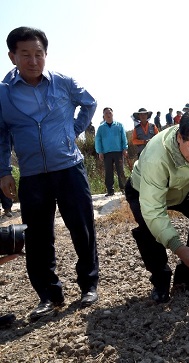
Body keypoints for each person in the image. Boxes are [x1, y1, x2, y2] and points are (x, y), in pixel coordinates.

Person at [0, 26, 99, 320]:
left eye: (39, 54)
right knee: (39, 238)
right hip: (32, 176)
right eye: (25, 54)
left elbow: (90, 103)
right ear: (12, 56)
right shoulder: (3, 94)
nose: (33, 60)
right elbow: (2, 135)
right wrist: (4, 171)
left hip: (69, 168)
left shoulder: (64, 83)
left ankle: (88, 286)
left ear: (46, 54)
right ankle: (48, 295)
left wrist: (73, 131)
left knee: (82, 229)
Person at [124, 107, 189, 303]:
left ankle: (187, 278)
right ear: (180, 138)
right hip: (144, 189)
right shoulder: (156, 156)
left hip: (180, 189)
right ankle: (160, 282)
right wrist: (178, 247)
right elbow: (154, 212)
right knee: (150, 230)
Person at [95, 107, 128, 196]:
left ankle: (124, 189)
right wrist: (100, 152)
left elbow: (124, 138)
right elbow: (98, 140)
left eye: (109, 113)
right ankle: (110, 190)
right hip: (106, 153)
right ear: (104, 116)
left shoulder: (119, 125)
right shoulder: (101, 128)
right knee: (108, 172)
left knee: (121, 170)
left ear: (112, 114)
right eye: (106, 113)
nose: (108, 115)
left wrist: (125, 148)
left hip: (118, 152)